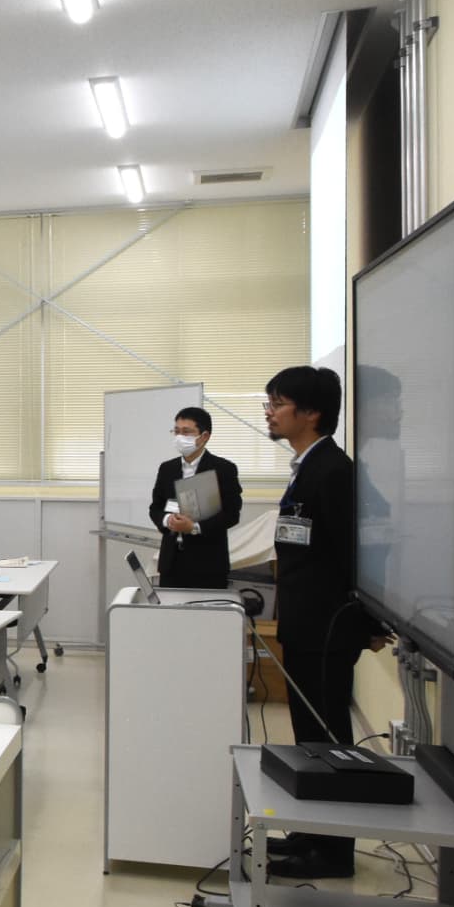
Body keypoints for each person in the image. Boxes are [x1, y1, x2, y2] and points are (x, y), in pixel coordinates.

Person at [262, 366, 390, 880]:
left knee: (328, 739)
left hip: (327, 627)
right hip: (306, 622)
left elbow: (357, 554)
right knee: (309, 737)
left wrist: (369, 622)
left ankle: (333, 852)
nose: (269, 413)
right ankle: (310, 833)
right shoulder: (308, 466)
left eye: (278, 403)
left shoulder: (334, 471)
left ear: (311, 413)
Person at [147, 406, 244, 589]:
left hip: (208, 564)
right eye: (176, 431)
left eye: (186, 432)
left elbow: (232, 514)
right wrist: (168, 520)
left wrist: (194, 527)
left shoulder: (224, 469)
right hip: (171, 563)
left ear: (204, 436)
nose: (179, 437)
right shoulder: (167, 469)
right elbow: (155, 508)